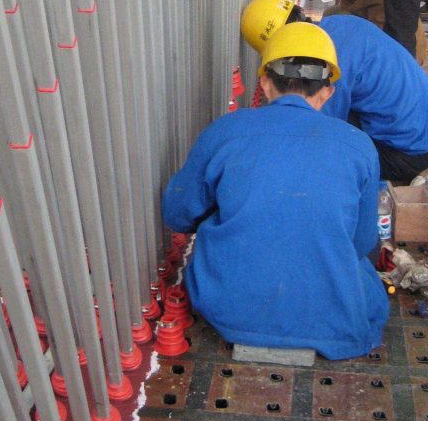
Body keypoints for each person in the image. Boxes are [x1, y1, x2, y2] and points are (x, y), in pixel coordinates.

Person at [163, 22, 389, 359]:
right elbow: (361, 242)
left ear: (265, 83)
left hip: (228, 308)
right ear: (327, 92)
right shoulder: (359, 146)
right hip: (334, 321)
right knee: (365, 279)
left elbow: (177, 214)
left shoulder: (225, 131)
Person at [240, 0, 428, 184]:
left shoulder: (323, 64)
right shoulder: (340, 24)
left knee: (317, 150)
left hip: (410, 153)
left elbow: (309, 133)